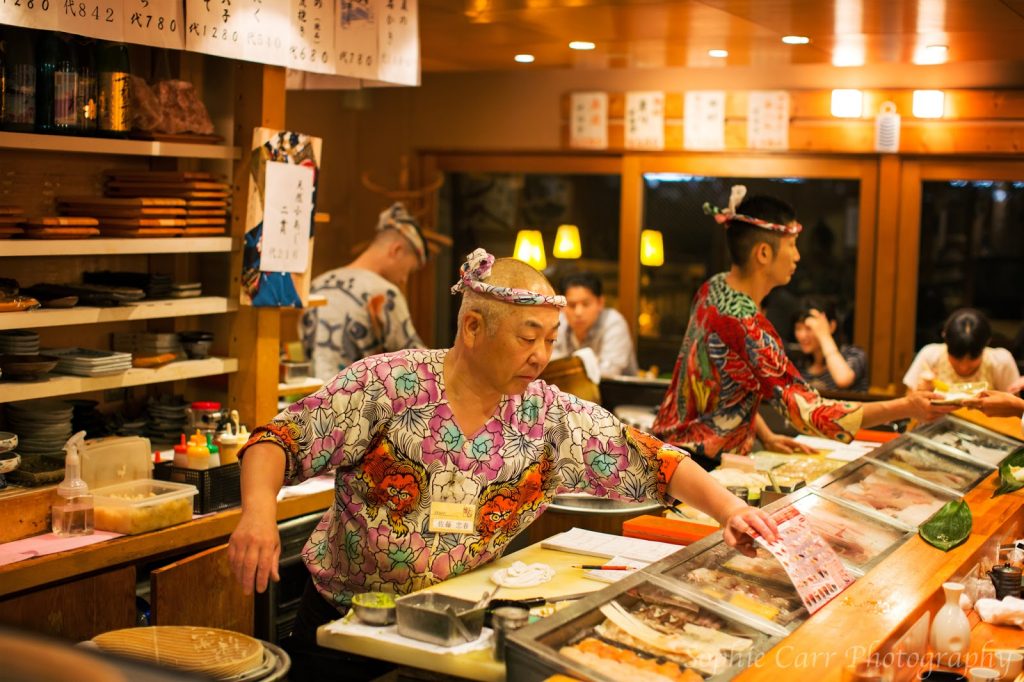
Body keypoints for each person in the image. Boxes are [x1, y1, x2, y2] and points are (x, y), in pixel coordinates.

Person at [229, 249, 778, 678]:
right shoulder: (387, 384)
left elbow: (651, 459)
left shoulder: (546, 415)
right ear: (472, 328)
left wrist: (728, 509)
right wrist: (257, 513)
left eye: (550, 339)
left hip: (458, 626)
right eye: (527, 337)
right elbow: (278, 439)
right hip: (345, 626)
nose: (542, 355)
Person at [652, 186, 951, 470]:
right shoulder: (748, 326)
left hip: (671, 450)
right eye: (792, 245)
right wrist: (907, 406)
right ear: (763, 254)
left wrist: (766, 436)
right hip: (698, 463)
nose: (797, 256)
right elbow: (811, 414)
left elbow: (727, 382)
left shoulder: (713, 288)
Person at [301, 202, 427, 383]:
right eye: (409, 270)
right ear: (396, 250)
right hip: (358, 406)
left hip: (312, 401)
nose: (404, 279)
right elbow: (417, 363)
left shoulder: (317, 284)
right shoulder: (384, 294)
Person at [903, 308, 1020, 393]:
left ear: (987, 342)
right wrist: (921, 392)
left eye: (973, 358)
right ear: (945, 338)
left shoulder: (1000, 362)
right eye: (957, 358)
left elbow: (1015, 412)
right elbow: (909, 403)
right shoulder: (930, 355)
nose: (964, 366)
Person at [551, 272, 638, 376]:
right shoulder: (559, 321)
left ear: (600, 303)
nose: (578, 312)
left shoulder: (613, 322)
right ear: (562, 306)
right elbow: (549, 362)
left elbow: (609, 372)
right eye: (572, 305)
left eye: (586, 304)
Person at [791, 301, 869, 393]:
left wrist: (824, 335)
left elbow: (843, 379)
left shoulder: (853, 354)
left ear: (831, 326)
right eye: (798, 328)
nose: (802, 335)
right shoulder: (799, 364)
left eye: (809, 328)